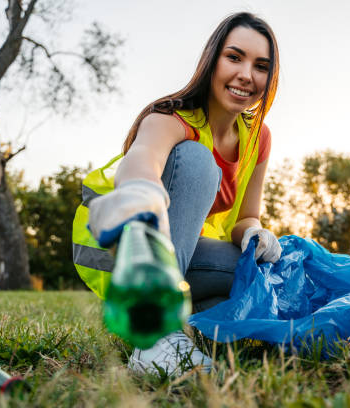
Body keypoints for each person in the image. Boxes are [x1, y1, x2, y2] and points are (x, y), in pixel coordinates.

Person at [71, 12, 282, 376]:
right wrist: (140, 197)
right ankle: (155, 341)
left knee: (263, 276)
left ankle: (190, 321)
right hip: (121, 246)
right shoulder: (170, 118)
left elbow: (247, 215)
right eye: (234, 57)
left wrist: (254, 234)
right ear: (212, 60)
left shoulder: (258, 137)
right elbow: (141, 163)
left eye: (260, 66)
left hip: (180, 256)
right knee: (198, 161)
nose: (246, 74)